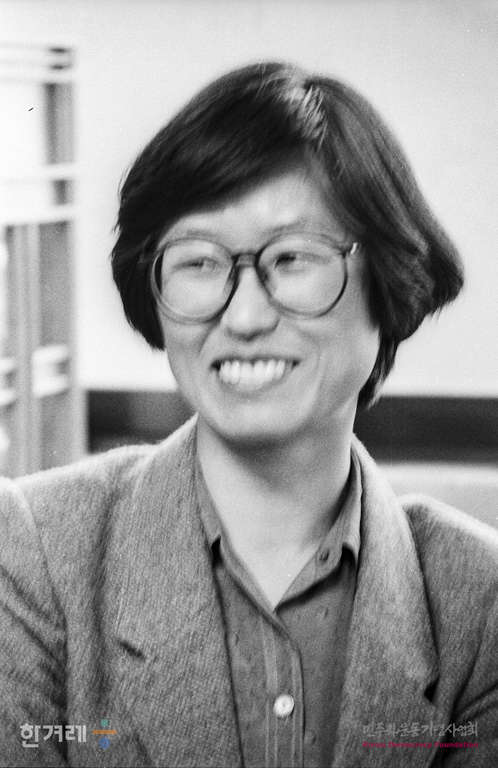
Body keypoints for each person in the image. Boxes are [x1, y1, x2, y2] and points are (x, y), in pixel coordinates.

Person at [0, 62, 496, 768]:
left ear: (390, 284)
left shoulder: (480, 604)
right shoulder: (34, 556)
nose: (245, 315)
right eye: (199, 262)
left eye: (292, 258)